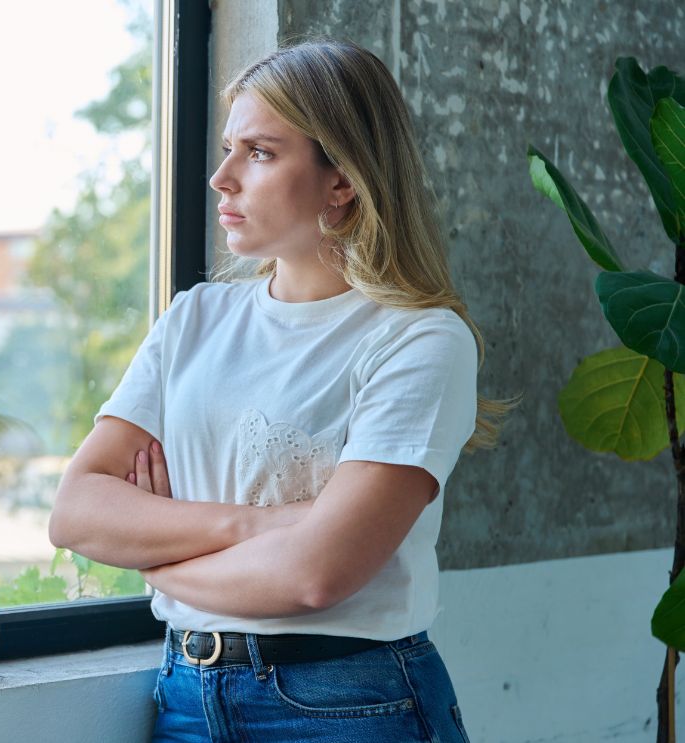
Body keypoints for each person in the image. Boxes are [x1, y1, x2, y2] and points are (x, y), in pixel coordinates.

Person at [48, 38, 517, 742]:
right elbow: (77, 514)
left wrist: (155, 554)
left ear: (342, 180)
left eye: (259, 153)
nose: (220, 178)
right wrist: (259, 525)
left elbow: (316, 575)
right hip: (183, 696)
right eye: (228, 147)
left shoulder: (419, 339)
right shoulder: (193, 318)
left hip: (349, 704)